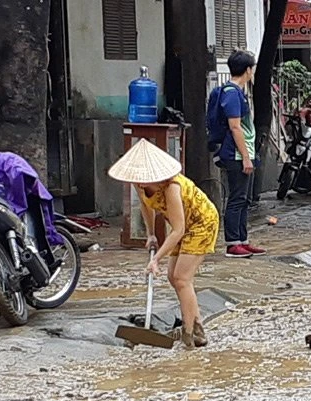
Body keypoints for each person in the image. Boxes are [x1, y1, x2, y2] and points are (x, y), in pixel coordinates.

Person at [108, 139, 220, 349]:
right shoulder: (140, 183)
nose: (141, 184)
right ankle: (197, 327)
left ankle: (188, 334)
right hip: (181, 224)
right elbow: (146, 205)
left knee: (181, 278)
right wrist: (151, 234)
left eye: (146, 179)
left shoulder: (172, 187)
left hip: (201, 222)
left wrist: (156, 259)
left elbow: (178, 229)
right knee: (173, 277)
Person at [214, 49, 265, 258]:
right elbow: (235, 127)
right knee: (236, 198)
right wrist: (245, 156)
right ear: (248, 70)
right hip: (236, 154)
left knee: (244, 199)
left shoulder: (237, 92)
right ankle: (232, 243)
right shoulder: (232, 93)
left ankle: (243, 240)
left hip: (244, 152)